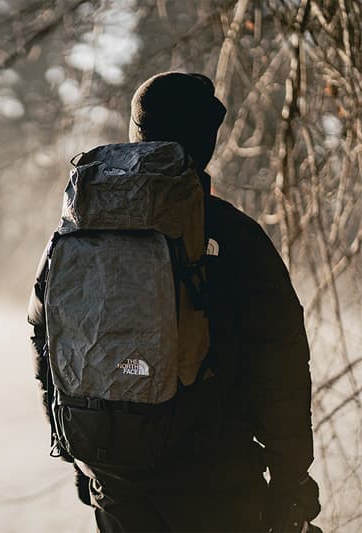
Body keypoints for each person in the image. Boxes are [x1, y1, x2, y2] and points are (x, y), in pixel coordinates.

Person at [28, 72, 321, 532]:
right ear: (205, 142)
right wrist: (291, 474)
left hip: (114, 475)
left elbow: (43, 337)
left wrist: (77, 446)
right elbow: (279, 364)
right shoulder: (233, 237)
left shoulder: (76, 232)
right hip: (214, 479)